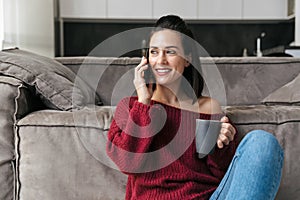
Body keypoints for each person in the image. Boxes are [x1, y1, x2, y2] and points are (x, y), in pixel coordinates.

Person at [106, 15, 284, 200]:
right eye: (154, 52)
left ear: (187, 59)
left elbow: (226, 177)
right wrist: (144, 103)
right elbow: (127, 164)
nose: (161, 60)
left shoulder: (208, 108)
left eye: (170, 52)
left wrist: (221, 146)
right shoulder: (131, 107)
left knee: (262, 142)